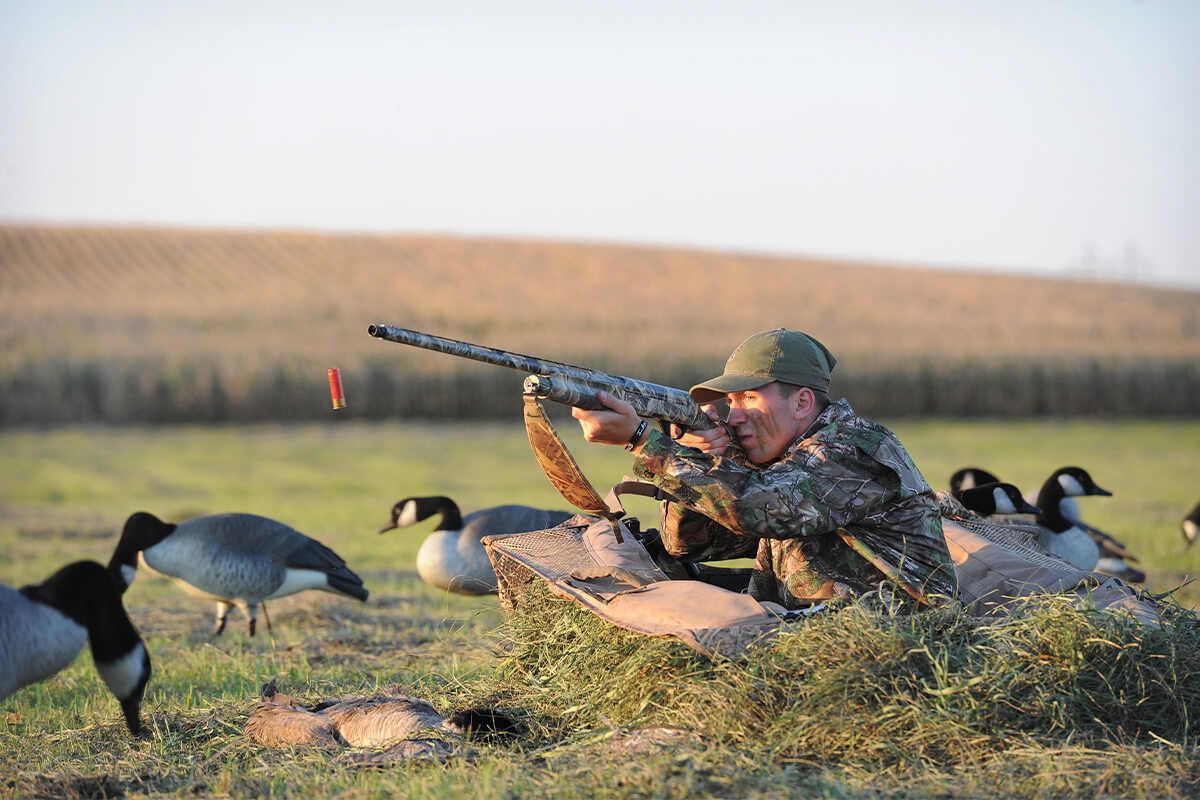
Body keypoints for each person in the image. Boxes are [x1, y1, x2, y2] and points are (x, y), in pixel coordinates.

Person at [571, 328, 958, 611]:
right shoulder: (780, 461)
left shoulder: (855, 448)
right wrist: (700, 456)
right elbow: (689, 543)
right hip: (816, 640)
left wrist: (644, 441)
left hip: (901, 646)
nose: (734, 415)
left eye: (749, 398)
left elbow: (762, 510)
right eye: (731, 401)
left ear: (803, 403)